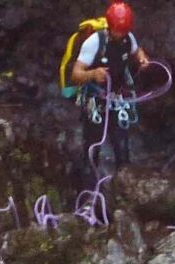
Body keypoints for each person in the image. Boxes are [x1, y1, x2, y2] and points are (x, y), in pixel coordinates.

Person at [64, 3, 152, 171]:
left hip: (117, 100)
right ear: (110, 27)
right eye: (118, 30)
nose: (121, 34)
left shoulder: (128, 38)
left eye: (124, 30)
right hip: (95, 101)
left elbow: (136, 50)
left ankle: (122, 186)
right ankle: (88, 190)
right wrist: (93, 74)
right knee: (92, 148)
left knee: (122, 148)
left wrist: (142, 59)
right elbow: (76, 74)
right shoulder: (94, 43)